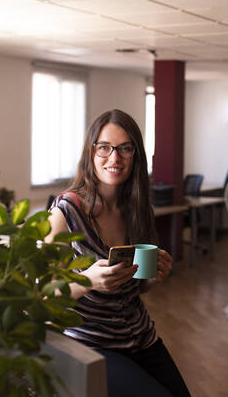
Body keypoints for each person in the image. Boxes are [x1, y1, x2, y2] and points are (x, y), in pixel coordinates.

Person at [46, 109, 190, 397]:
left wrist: (152, 278)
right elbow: (44, 294)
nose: (115, 158)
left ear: (136, 155)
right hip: (93, 345)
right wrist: (87, 281)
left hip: (142, 338)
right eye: (105, 148)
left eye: (125, 148)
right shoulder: (67, 212)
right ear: (91, 152)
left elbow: (134, 291)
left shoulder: (138, 208)